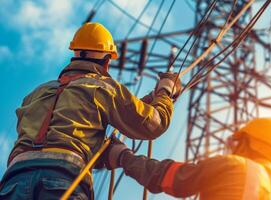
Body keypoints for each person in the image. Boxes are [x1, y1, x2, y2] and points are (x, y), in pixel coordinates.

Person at [0, 22, 181, 199]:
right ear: (106, 60)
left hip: (13, 183)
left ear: (75, 54)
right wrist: (165, 90)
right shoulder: (103, 87)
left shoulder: (36, 93)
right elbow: (154, 123)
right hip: (64, 179)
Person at [104, 117, 271, 200]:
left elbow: (168, 176)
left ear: (256, 143)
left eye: (240, 141)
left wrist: (122, 156)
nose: (234, 148)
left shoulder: (236, 166)